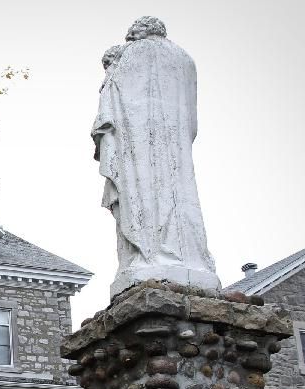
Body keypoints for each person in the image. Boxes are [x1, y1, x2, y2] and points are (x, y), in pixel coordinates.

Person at [92, 16, 220, 297]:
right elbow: (191, 118)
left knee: (145, 198)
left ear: (138, 32)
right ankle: (192, 259)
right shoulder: (186, 60)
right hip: (177, 145)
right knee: (181, 198)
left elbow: (113, 101)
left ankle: (149, 255)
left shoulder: (134, 53)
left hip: (140, 144)